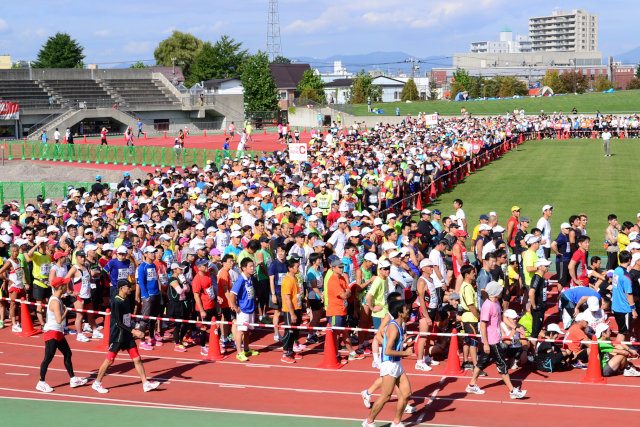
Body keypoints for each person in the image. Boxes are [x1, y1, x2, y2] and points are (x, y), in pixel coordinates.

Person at [92, 280, 160, 393]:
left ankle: (145, 383)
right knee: (109, 361)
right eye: (128, 287)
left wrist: (132, 329)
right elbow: (119, 323)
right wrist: (135, 331)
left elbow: (126, 319)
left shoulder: (127, 300)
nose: (130, 289)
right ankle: (97, 383)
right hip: (117, 336)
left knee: (137, 359)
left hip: (127, 335)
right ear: (121, 288)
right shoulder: (116, 303)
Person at [466, 281, 527, 399]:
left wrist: (515, 327)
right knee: (502, 363)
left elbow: (502, 318)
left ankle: (472, 384)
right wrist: (486, 343)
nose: (501, 291)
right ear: (495, 292)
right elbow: (483, 325)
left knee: (482, 362)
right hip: (491, 340)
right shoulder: (487, 306)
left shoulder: (497, 303)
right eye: (499, 290)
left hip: (496, 338)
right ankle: (512, 390)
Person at [362, 299, 413, 427]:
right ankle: (369, 421)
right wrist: (405, 353)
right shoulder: (394, 327)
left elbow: (381, 336)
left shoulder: (399, 325)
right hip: (389, 364)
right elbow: (388, 350)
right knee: (385, 397)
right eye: (406, 309)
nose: (409, 311)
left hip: (397, 364)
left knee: (406, 394)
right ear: (400, 313)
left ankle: (396, 422)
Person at [36, 277, 88, 393]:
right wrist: (65, 311)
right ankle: (41, 382)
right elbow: (59, 320)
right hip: (52, 332)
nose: (66, 286)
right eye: (64, 285)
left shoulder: (57, 298)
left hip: (58, 332)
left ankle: (73, 379)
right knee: (48, 358)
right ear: (60, 287)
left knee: (68, 353)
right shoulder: (54, 301)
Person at [229, 258, 259, 361]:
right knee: (241, 331)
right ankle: (239, 352)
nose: (252, 268)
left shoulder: (250, 277)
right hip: (243, 310)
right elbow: (232, 293)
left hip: (250, 308)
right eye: (250, 266)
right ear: (244, 268)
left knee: (247, 331)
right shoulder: (240, 279)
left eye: (253, 266)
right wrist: (235, 306)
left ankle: (246, 349)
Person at [281, 257, 303, 363]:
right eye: (297, 266)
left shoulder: (296, 278)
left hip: (297, 307)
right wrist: (292, 313)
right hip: (290, 310)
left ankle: (290, 351)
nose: (299, 268)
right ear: (290, 268)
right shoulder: (287, 280)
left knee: (295, 332)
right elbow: (287, 298)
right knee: (289, 332)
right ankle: (284, 353)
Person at [611, 250, 636, 343]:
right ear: (629, 260)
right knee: (623, 332)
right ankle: (619, 352)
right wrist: (633, 309)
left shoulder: (617, 270)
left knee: (622, 330)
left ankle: (623, 351)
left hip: (616, 305)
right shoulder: (627, 276)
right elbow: (629, 294)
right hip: (624, 308)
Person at [529, 258, 551, 340]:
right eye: (546, 266)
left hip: (541, 307)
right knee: (535, 332)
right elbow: (531, 293)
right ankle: (530, 352)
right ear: (540, 266)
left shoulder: (541, 277)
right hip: (538, 308)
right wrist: (534, 306)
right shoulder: (537, 278)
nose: (548, 267)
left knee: (538, 330)